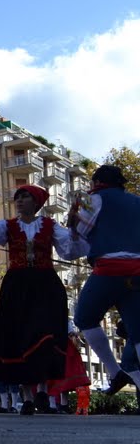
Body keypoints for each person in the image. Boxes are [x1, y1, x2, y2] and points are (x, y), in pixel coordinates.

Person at [0, 183, 88, 415]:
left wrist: (74, 225)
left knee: (45, 334)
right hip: (17, 286)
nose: (19, 201)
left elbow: (69, 248)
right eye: (18, 197)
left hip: (44, 285)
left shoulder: (49, 225)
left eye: (25, 197)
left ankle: (41, 388)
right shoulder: (9, 226)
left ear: (36, 203)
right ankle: (27, 397)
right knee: (18, 338)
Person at [70, 164, 140, 395]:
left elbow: (82, 229)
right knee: (138, 331)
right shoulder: (137, 201)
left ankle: (114, 372)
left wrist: (73, 219)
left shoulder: (95, 199)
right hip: (138, 271)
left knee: (85, 316)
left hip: (111, 267)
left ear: (97, 182)